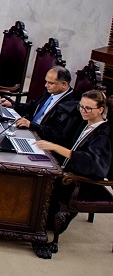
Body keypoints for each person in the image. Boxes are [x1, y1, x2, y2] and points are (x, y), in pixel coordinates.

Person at [36, 90, 112, 233]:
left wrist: (55, 147)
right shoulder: (85, 123)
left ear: (100, 110)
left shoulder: (103, 135)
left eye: (88, 108)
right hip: (69, 172)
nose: (83, 111)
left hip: (82, 182)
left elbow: (90, 161)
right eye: (81, 106)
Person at [1, 66, 82, 146]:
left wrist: (31, 125)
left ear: (64, 84)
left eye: (51, 83)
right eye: (46, 81)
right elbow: (32, 107)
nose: (46, 85)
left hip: (43, 142)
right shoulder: (50, 92)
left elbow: (57, 133)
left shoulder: (71, 105)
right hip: (29, 131)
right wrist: (13, 105)